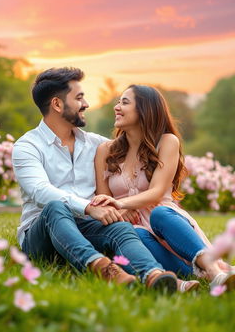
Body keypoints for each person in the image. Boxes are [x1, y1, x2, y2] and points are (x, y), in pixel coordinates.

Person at [12, 67, 182, 293]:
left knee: (120, 228)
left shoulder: (96, 145)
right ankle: (102, 268)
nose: (86, 104)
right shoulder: (27, 147)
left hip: (87, 230)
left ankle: (153, 275)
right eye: (79, 97)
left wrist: (125, 202)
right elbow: (41, 191)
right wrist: (89, 207)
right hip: (43, 238)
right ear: (57, 104)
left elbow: (137, 149)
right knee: (55, 208)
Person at [92, 84, 235, 291]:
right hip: (132, 227)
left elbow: (157, 192)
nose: (117, 107)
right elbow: (103, 201)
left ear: (145, 109)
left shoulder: (167, 141)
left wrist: (123, 203)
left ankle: (215, 272)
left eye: (124, 102)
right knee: (135, 234)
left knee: (160, 213)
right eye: (118, 102)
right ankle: (188, 276)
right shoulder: (105, 151)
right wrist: (118, 210)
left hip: (167, 223)